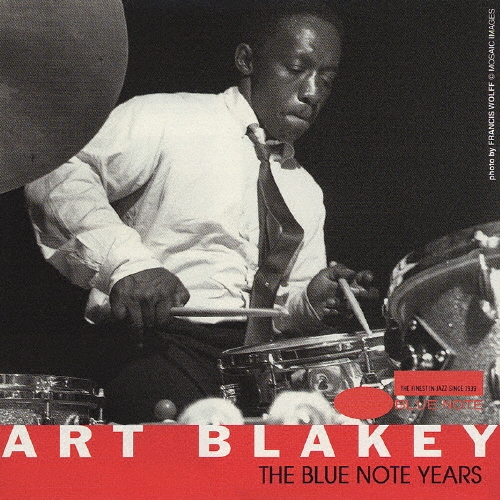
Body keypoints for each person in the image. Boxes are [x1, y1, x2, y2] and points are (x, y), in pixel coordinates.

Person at [25, 1, 377, 423]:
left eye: (327, 80)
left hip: (258, 370)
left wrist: (311, 303)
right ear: (247, 60)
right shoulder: (168, 117)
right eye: (297, 68)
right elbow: (59, 170)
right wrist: (125, 264)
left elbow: (284, 316)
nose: (313, 92)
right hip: (161, 346)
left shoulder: (306, 189)